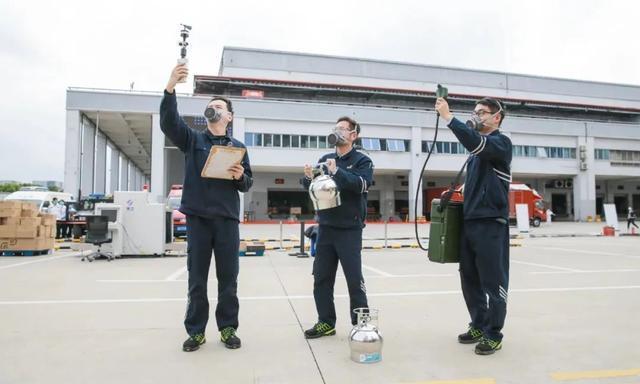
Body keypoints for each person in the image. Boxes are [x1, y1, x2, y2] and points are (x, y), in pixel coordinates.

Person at [160, 63, 253, 352]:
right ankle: (196, 331)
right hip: (199, 220)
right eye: (209, 105)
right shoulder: (193, 140)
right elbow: (168, 123)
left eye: (218, 106)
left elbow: (248, 183)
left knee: (229, 281)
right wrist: (170, 88)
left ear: (229, 116)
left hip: (226, 221)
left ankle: (227, 328)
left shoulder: (238, 147)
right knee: (197, 280)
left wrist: (241, 177)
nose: (212, 108)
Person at [435, 96, 512, 355]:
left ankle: (494, 333)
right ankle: (479, 323)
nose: (477, 116)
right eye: (475, 112)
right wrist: (456, 193)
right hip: (470, 221)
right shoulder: (476, 155)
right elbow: (477, 183)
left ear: (496, 117)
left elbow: (475, 142)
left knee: (493, 280)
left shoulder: (500, 143)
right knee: (469, 278)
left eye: (482, 112)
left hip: (491, 223)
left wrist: (449, 118)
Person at [302, 116, 373, 339]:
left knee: (354, 279)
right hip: (326, 227)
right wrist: (307, 179)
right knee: (321, 278)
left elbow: (361, 185)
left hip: (349, 229)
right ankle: (326, 322)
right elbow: (316, 188)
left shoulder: (363, 161)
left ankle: (361, 324)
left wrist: (337, 172)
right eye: (336, 128)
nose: (338, 132)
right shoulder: (325, 158)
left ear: (353, 135)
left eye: (343, 129)